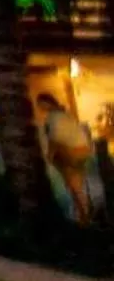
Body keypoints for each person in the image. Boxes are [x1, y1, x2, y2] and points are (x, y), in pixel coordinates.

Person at [37, 93, 97, 224]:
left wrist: (49, 156)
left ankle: (84, 216)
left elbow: (55, 139)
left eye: (40, 103)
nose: (39, 107)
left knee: (73, 184)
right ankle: (84, 213)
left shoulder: (53, 117)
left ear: (47, 103)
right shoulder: (65, 114)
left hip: (70, 152)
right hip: (83, 150)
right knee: (77, 183)